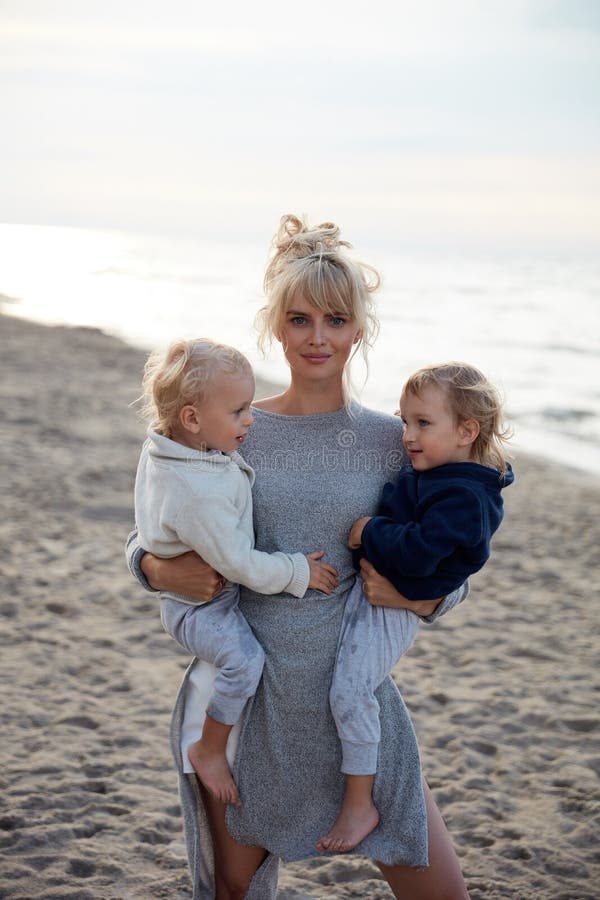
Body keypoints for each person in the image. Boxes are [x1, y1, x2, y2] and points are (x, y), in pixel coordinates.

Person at [126, 214, 472, 900]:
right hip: (249, 711)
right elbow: (151, 530)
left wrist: (419, 598)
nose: (318, 337)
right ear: (275, 326)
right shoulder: (235, 425)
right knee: (236, 892)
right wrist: (154, 570)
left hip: (354, 710)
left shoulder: (389, 441)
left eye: (336, 320)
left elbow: (452, 555)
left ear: (359, 329)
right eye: (300, 318)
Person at [319, 361, 514, 853]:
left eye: (422, 424)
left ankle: (360, 802)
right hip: (380, 593)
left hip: (395, 606)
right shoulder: (441, 468)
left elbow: (418, 551)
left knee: (351, 690)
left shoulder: (466, 495)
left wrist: (369, 532)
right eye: (404, 421)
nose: (407, 436)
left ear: (467, 431)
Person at [134, 337, 337, 807]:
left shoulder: (173, 447)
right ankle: (208, 748)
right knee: (244, 661)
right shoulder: (197, 494)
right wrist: (296, 572)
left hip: (194, 596)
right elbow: (241, 565)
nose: (250, 421)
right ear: (192, 419)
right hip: (199, 607)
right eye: (239, 412)